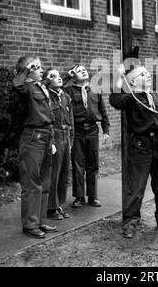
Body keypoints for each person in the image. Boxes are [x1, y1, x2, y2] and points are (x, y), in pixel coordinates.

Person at [109, 50, 158, 239]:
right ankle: (131, 222)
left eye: (147, 73)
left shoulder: (157, 96)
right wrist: (119, 76)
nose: (147, 75)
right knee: (137, 187)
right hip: (141, 145)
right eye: (142, 74)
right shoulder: (131, 98)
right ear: (132, 82)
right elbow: (114, 100)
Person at [13, 56, 57, 239]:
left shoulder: (40, 87)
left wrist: (52, 140)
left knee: (44, 181)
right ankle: (30, 225)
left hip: (46, 135)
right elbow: (17, 84)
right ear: (28, 70)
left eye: (40, 67)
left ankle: (40, 220)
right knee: (32, 183)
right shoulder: (26, 87)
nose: (41, 69)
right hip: (33, 138)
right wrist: (25, 71)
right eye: (36, 67)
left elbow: (48, 116)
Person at [64, 65, 110, 208]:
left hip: (92, 130)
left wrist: (106, 130)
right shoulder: (69, 90)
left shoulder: (95, 89)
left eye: (84, 69)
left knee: (93, 164)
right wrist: (68, 76)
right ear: (73, 75)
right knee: (78, 164)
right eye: (78, 70)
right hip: (77, 131)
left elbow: (102, 110)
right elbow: (59, 86)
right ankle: (79, 197)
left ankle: (93, 196)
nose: (83, 71)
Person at [43, 68, 74, 220]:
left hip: (66, 135)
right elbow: (47, 121)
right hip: (55, 135)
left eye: (58, 75)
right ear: (47, 81)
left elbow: (71, 119)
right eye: (52, 76)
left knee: (64, 173)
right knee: (54, 173)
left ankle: (59, 204)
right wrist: (52, 141)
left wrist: (71, 140)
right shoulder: (46, 96)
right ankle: (51, 207)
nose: (58, 78)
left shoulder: (66, 97)